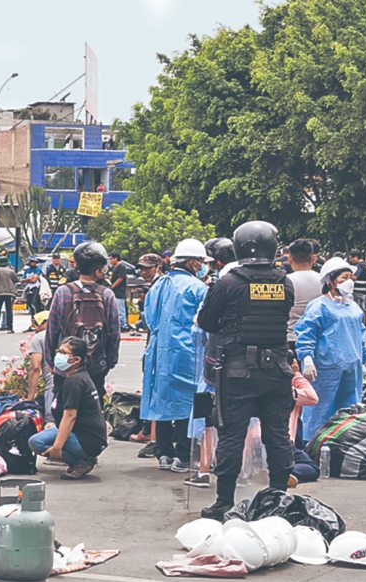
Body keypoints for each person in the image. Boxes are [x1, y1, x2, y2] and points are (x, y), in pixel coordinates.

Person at [196, 220, 296, 520]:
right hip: (277, 370)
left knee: (231, 436)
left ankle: (223, 501)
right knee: (278, 435)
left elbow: (207, 322)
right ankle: (279, 497)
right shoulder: (283, 283)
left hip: (237, 372)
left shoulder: (229, 282)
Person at [142, 238, 209, 473]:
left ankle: (164, 453)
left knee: (162, 402)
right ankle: (183, 454)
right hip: (188, 353)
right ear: (192, 262)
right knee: (186, 404)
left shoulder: (158, 285)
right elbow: (205, 322)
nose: (203, 265)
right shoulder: (198, 288)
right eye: (201, 261)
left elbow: (148, 319)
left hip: (160, 352)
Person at [294, 257, 366, 443]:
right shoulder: (319, 307)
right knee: (320, 409)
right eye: (344, 277)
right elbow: (306, 334)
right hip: (326, 368)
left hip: (352, 367)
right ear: (330, 281)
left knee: (349, 409)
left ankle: (344, 444)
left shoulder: (353, 307)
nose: (350, 282)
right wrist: (306, 358)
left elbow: (361, 334)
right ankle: (311, 444)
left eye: (351, 277)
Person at [45, 240, 121, 399]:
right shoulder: (107, 294)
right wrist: (109, 362)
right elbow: (114, 334)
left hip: (66, 365)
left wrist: (51, 361)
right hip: (96, 365)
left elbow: (52, 330)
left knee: (64, 410)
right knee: (92, 411)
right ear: (99, 268)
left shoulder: (63, 292)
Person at [28, 337, 108, 480]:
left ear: (76, 360)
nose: (59, 355)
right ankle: (80, 458)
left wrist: (57, 447)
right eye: (58, 351)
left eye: (64, 353)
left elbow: (70, 416)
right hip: (79, 433)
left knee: (38, 443)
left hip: (87, 440)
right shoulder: (75, 376)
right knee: (37, 439)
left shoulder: (75, 381)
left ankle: (82, 460)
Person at [285, 238, 322, 338]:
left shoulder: (285, 281)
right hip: (317, 336)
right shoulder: (324, 281)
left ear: (290, 259)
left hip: (291, 336)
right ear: (313, 258)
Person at [25, 311, 54, 424]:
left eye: (37, 324)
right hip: (75, 384)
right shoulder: (69, 332)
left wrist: (30, 398)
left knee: (51, 424)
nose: (35, 328)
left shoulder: (39, 337)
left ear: (45, 322)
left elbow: (35, 368)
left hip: (53, 387)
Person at [108, 253, 133, 331]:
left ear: (116, 258)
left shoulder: (121, 267)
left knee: (120, 309)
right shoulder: (114, 268)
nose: (110, 261)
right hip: (115, 292)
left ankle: (123, 325)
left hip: (119, 291)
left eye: (111, 259)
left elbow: (120, 278)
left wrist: (112, 287)